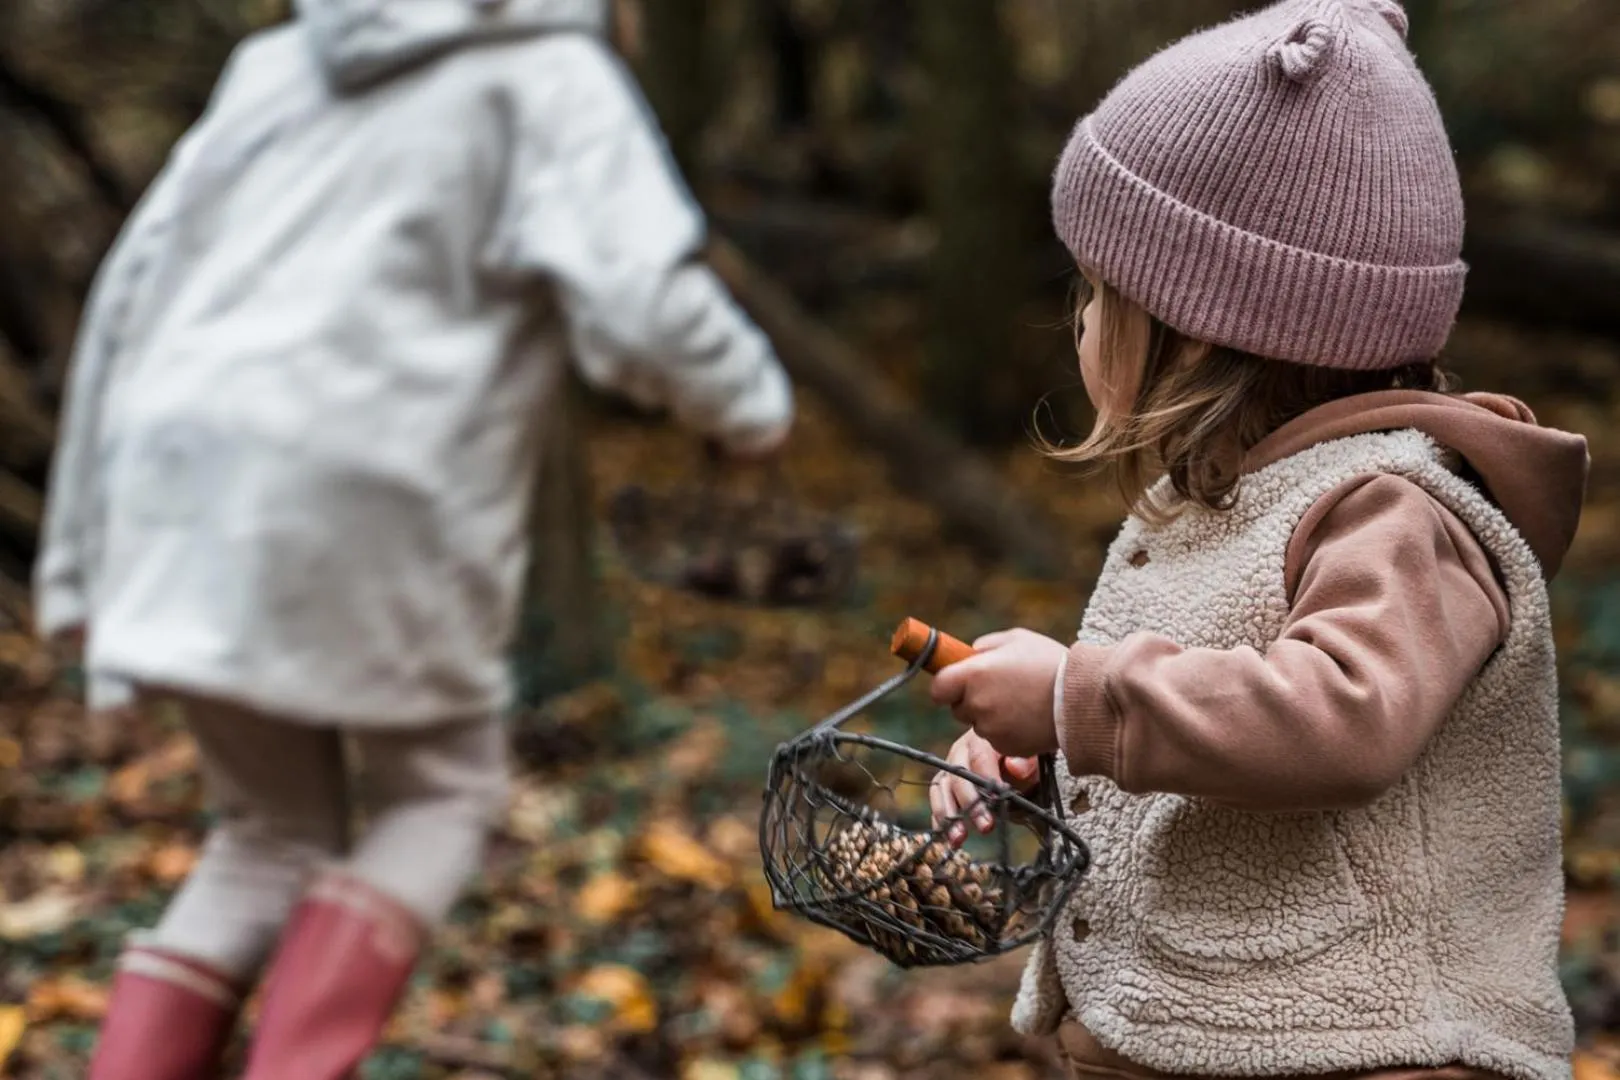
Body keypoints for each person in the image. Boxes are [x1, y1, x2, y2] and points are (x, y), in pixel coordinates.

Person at [32, 0, 793, 1077]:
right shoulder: (546, 73)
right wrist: (751, 407)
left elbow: (128, 292)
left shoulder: (278, 66)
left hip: (177, 481)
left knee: (263, 838)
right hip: (362, 485)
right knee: (445, 792)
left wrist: (75, 563)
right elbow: (642, 302)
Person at [927, 3, 1586, 1080]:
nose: (1082, 322)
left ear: (1204, 326)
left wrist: (1080, 700)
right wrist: (1046, 759)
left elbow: (1341, 720)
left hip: (1371, 1051)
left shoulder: (1398, 513)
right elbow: (1206, 735)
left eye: (1102, 295)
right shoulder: (1213, 513)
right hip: (1191, 1037)